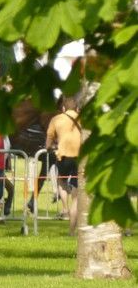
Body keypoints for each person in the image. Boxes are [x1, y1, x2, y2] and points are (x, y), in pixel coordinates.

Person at [45, 96, 82, 227]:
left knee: (61, 180)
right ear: (77, 108)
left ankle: (65, 208)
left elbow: (49, 141)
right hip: (80, 157)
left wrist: (50, 148)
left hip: (64, 156)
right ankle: (74, 217)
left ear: (63, 108)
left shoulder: (56, 119)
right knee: (77, 190)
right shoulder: (82, 119)